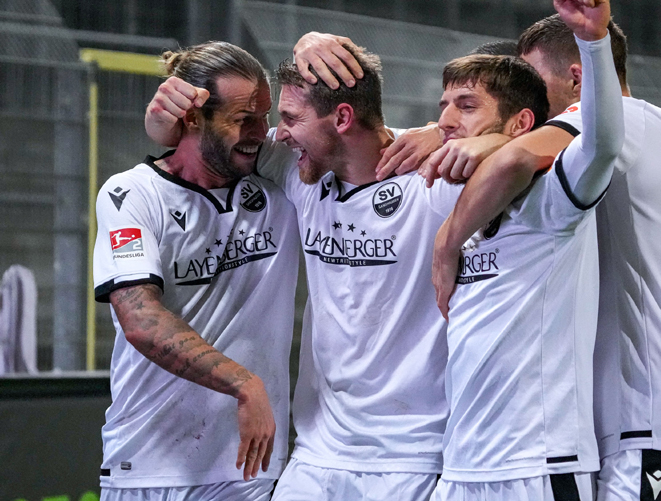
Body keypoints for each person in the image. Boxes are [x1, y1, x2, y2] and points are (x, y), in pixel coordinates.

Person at [144, 40, 511, 500]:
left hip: (413, 457)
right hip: (315, 455)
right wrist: (159, 123)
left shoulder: (434, 179)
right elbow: (210, 146)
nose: (278, 133)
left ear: (341, 119)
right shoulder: (301, 175)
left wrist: (450, 135)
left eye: (291, 119)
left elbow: (530, 153)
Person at [430, 0, 661, 501]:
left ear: (578, 81)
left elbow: (529, 153)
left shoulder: (609, 124)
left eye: (534, 83)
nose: (527, 99)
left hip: (648, 420)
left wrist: (447, 243)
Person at [430, 0, 623, 501]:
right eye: (443, 105)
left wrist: (594, 41)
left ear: (520, 123)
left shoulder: (555, 201)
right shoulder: (454, 196)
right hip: (460, 466)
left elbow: (602, 142)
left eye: (466, 107)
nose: (445, 122)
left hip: (538, 465)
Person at [93, 41, 300, 500]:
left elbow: (361, 151)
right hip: (150, 466)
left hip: (251, 471)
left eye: (264, 116)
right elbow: (141, 321)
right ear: (192, 117)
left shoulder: (279, 184)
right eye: (243, 119)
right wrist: (243, 382)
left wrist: (431, 136)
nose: (260, 131)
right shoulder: (132, 194)